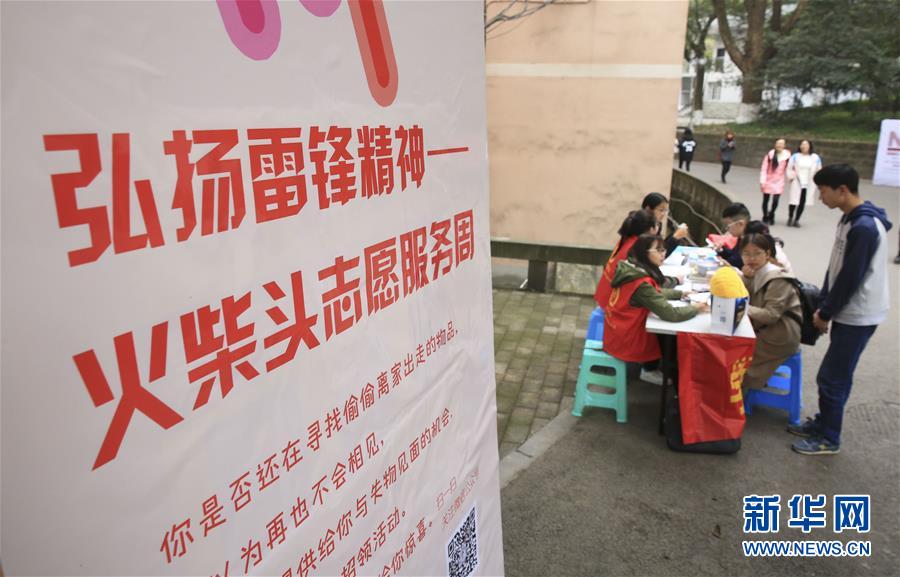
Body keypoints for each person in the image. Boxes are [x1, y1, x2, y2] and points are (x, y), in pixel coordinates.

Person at [789, 164, 893, 455]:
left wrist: (826, 313)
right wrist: (823, 303)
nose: (820, 197)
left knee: (832, 377)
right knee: (836, 374)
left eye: (823, 191)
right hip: (846, 309)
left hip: (859, 313)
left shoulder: (864, 227)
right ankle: (823, 423)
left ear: (842, 190)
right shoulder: (849, 219)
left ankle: (829, 437)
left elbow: (850, 278)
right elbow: (835, 269)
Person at [603, 234, 709, 384]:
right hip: (626, 336)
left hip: (615, 329)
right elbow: (671, 314)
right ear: (644, 253)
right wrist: (696, 307)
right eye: (659, 250)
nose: (663, 254)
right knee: (670, 338)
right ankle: (651, 370)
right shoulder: (641, 281)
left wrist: (680, 294)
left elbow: (652, 293)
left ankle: (654, 367)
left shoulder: (631, 268)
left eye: (664, 250)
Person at [738, 231, 802, 391]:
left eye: (757, 253)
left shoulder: (777, 278)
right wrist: (747, 279)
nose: (751, 258)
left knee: (737, 354)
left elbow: (771, 315)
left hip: (780, 334)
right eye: (746, 254)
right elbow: (750, 295)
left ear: (767, 254)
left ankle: (739, 393)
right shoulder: (756, 272)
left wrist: (739, 307)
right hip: (766, 328)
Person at [594, 210, 657, 309]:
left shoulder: (629, 239)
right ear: (650, 229)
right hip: (612, 300)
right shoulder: (637, 248)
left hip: (605, 294)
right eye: (656, 225)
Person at [786, 139, 822, 227]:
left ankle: (797, 219)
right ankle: (790, 217)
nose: (804, 146)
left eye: (806, 144)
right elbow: (789, 168)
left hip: (808, 182)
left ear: (810, 146)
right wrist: (791, 177)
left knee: (802, 202)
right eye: (802, 144)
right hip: (797, 181)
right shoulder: (795, 156)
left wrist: (818, 180)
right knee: (793, 201)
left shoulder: (815, 157)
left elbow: (819, 169)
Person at [759, 138, 791, 225]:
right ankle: (765, 216)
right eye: (778, 143)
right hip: (768, 180)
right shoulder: (770, 155)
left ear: (784, 146)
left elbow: (789, 168)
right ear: (775, 145)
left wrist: (791, 177)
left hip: (779, 181)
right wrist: (762, 180)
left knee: (776, 200)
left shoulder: (787, 156)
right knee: (766, 199)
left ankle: (771, 214)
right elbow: (764, 168)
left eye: (782, 144)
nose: (780, 145)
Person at [714, 202, 751, 268]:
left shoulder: (751, 242)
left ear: (740, 224)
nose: (726, 229)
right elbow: (733, 254)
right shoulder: (741, 237)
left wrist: (723, 261)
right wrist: (721, 250)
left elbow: (736, 261)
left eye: (727, 226)